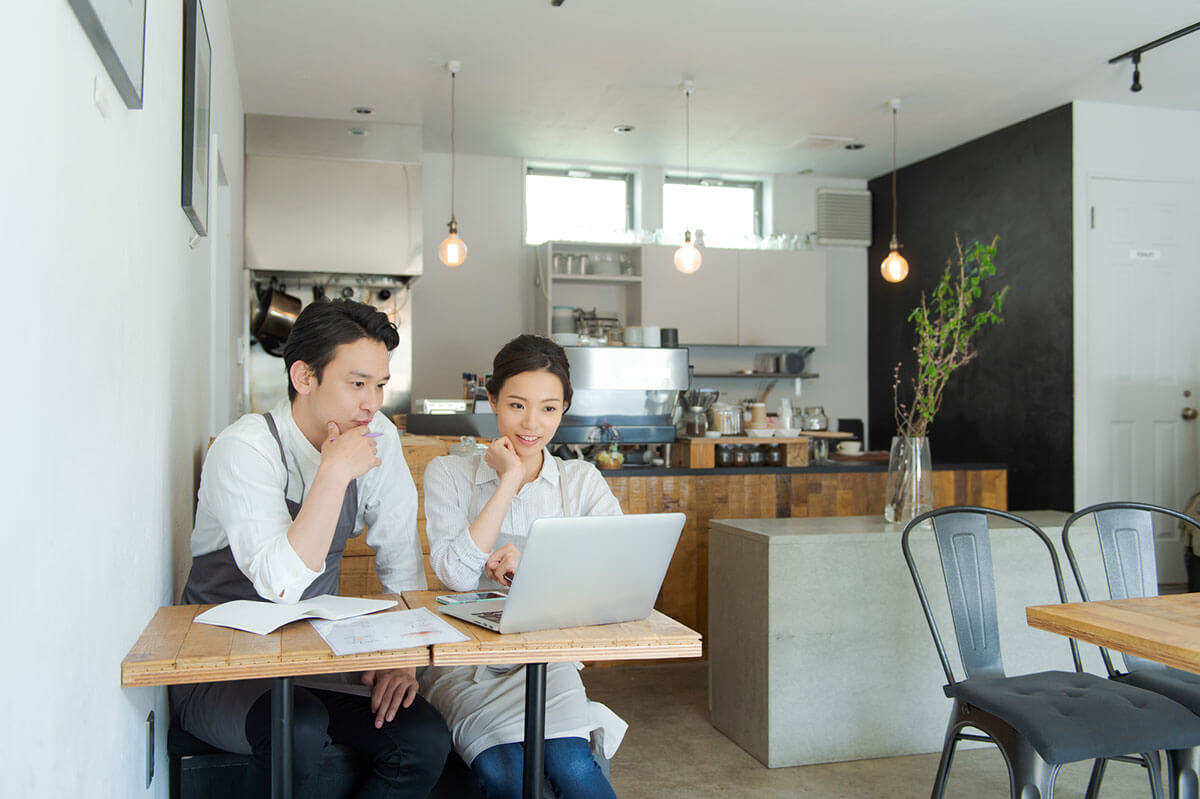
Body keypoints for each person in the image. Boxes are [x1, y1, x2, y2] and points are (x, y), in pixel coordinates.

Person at [172, 299, 450, 797]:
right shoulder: (245, 450)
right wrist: (333, 471)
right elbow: (280, 585)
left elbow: (399, 559)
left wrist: (403, 655)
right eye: (357, 383)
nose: (372, 403)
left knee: (423, 737)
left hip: (317, 662)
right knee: (297, 728)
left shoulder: (377, 435)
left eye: (381, 386)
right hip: (223, 671)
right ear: (304, 377)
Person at [420, 334, 624, 799]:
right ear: (491, 399)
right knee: (505, 777)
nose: (532, 424)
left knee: (575, 768)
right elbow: (453, 573)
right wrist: (509, 480)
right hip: (465, 664)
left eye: (549, 409)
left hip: (546, 660)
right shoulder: (447, 474)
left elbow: (615, 568)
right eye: (516, 405)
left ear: (564, 410)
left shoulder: (580, 481)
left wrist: (529, 560)